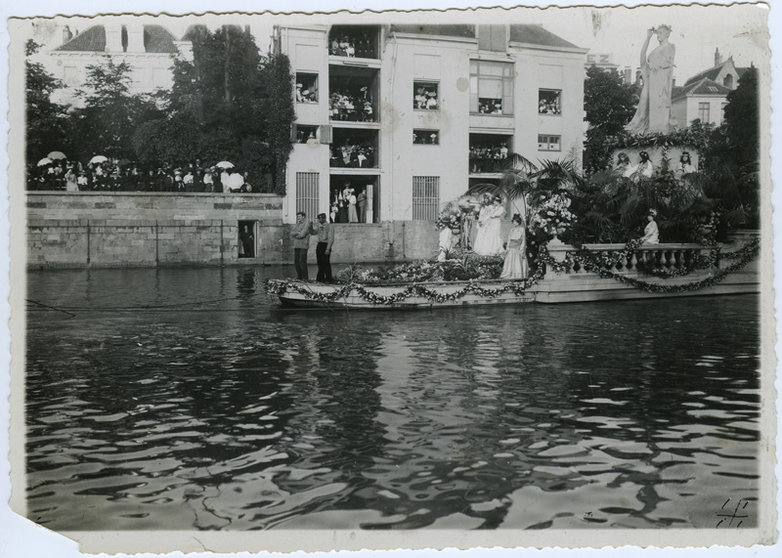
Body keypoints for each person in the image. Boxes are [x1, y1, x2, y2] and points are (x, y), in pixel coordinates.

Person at [625, 25, 676, 134]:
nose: (658, 36)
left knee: (654, 112)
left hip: (660, 86)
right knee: (642, 110)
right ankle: (642, 131)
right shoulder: (655, 51)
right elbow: (642, 57)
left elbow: (668, 66)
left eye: (661, 33)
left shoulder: (670, 47)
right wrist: (648, 38)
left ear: (667, 34)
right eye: (657, 33)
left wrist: (659, 66)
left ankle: (656, 133)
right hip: (650, 83)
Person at [500, 213, 528, 279]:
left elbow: (523, 240)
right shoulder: (511, 230)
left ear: (519, 222)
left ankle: (517, 275)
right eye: (514, 221)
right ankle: (509, 274)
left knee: (517, 262)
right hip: (511, 248)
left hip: (517, 248)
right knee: (509, 262)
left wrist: (522, 249)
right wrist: (507, 248)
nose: (515, 223)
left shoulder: (522, 229)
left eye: (516, 221)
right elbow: (509, 239)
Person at [313, 213, 335, 282]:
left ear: (325, 218)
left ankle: (329, 278)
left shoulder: (329, 226)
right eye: (319, 218)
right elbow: (313, 233)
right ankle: (320, 278)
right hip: (319, 244)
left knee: (326, 263)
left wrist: (328, 248)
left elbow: (331, 238)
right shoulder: (318, 226)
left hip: (326, 245)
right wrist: (311, 226)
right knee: (320, 263)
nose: (320, 220)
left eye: (322, 218)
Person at [291, 211, 313, 281]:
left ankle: (305, 278)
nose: (298, 218)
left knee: (302, 261)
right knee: (296, 261)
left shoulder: (307, 224)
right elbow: (291, 233)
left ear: (303, 217)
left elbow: (302, 235)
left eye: (299, 217)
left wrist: (296, 235)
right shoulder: (297, 224)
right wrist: (297, 233)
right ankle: (299, 277)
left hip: (303, 245)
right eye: (297, 217)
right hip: (296, 245)